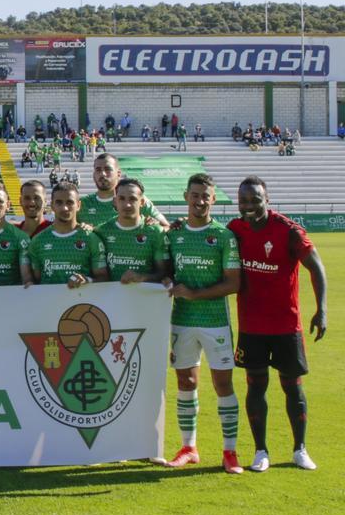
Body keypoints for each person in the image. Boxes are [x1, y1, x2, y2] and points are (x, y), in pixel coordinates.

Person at [228, 176, 328, 472]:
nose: (249, 206)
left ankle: (299, 449)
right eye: (243, 200)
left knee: (292, 388)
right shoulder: (235, 230)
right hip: (251, 325)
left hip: (286, 325)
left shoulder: (288, 231)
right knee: (256, 387)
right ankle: (261, 451)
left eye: (255, 200)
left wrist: (321, 310)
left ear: (266, 200)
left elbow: (317, 266)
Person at [162, 173, 243, 473]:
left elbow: (234, 283)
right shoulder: (174, 235)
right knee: (187, 382)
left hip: (215, 322)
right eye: (194, 195)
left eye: (205, 196)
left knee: (223, 383)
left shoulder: (223, 237)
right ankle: (189, 447)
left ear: (213, 199)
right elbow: (164, 270)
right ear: (186, 197)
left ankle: (230, 451)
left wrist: (195, 294)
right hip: (181, 321)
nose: (199, 201)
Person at [27, 182, 109, 287]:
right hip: (48, 302)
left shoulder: (91, 238)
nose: (64, 208)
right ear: (52, 205)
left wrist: (87, 280)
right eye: (59, 202)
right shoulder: (38, 241)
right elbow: (36, 280)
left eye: (70, 202)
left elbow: (103, 278)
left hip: (81, 302)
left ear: (78, 205)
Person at [96, 178, 168, 286]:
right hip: (111, 301)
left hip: (145, 299)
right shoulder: (101, 231)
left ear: (142, 202)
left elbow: (165, 273)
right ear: (115, 201)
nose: (127, 205)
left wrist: (141, 277)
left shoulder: (155, 232)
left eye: (132, 199)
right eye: (122, 199)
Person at [80, 154, 168, 228]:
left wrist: (156, 225)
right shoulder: (82, 204)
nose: (102, 174)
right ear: (93, 174)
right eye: (98, 170)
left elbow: (166, 226)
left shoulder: (135, 200)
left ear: (118, 174)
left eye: (108, 169)